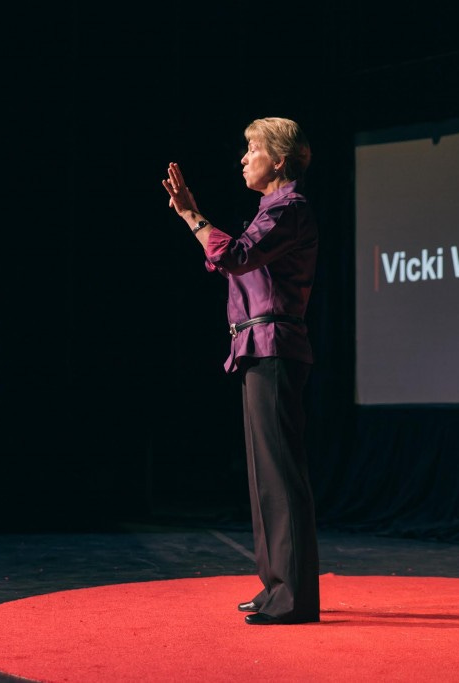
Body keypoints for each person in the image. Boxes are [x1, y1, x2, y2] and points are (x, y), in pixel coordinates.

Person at [162, 117, 320, 625]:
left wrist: (192, 214)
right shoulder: (269, 211)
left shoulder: (289, 209)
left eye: (252, 149)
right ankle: (276, 586)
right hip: (258, 346)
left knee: (279, 473)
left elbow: (233, 256)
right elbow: (229, 260)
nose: (243, 158)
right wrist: (193, 219)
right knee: (263, 476)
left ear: (278, 159)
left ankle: (293, 597)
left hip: (274, 346)